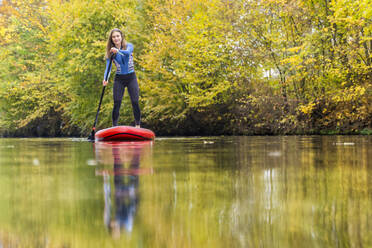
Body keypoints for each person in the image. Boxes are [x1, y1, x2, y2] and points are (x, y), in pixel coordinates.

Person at [103, 28, 141, 128]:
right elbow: (108, 67)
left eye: (117, 36)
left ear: (121, 37)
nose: (116, 38)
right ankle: (114, 126)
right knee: (117, 102)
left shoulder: (129, 46)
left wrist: (118, 51)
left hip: (131, 77)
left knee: (135, 101)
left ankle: (137, 125)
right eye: (113, 37)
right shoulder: (110, 52)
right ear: (111, 39)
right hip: (119, 79)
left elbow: (128, 53)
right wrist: (105, 79)